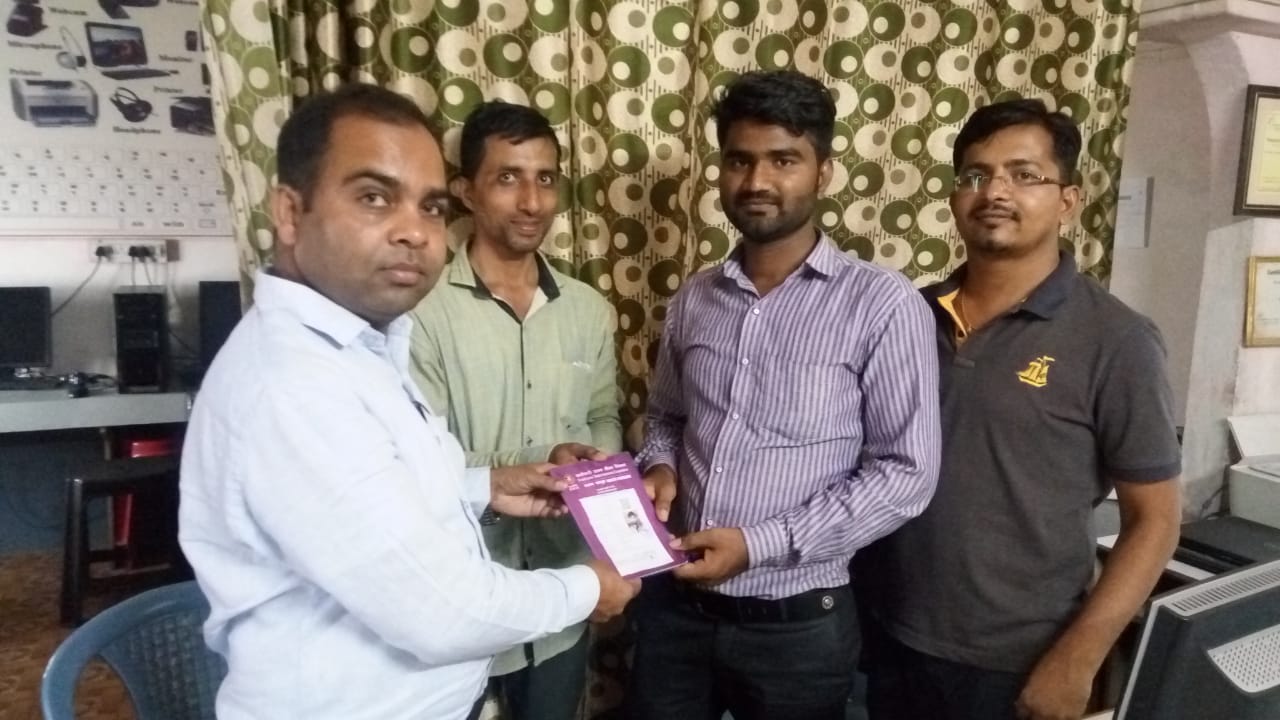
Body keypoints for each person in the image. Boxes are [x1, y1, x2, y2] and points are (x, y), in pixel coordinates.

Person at [178, 83, 639, 720]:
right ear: (289, 212)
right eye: (374, 197)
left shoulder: (359, 345)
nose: (414, 232)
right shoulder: (292, 386)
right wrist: (589, 588)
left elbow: (389, 492)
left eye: (429, 207)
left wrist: (488, 486)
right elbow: (442, 611)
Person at [627, 69, 942, 720]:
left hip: (799, 628)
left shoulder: (882, 304)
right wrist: (660, 467)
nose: (757, 181)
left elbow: (906, 474)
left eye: (784, 160)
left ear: (824, 172)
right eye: (739, 160)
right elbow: (667, 416)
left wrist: (758, 544)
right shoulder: (695, 298)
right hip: (674, 613)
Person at [856, 98, 1183, 720]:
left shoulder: (1117, 340)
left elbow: (1156, 521)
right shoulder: (907, 316)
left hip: (1016, 661)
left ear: (1068, 200)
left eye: (1024, 174)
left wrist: (1078, 659)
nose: (995, 192)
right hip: (883, 637)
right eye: (976, 175)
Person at [409, 100, 622, 720]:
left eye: (545, 178)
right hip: (461, 600)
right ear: (464, 191)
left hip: (562, 592)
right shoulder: (420, 312)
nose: (532, 201)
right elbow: (415, 462)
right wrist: (540, 460)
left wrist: (592, 467)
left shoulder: (587, 309)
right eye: (508, 177)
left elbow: (604, 416)